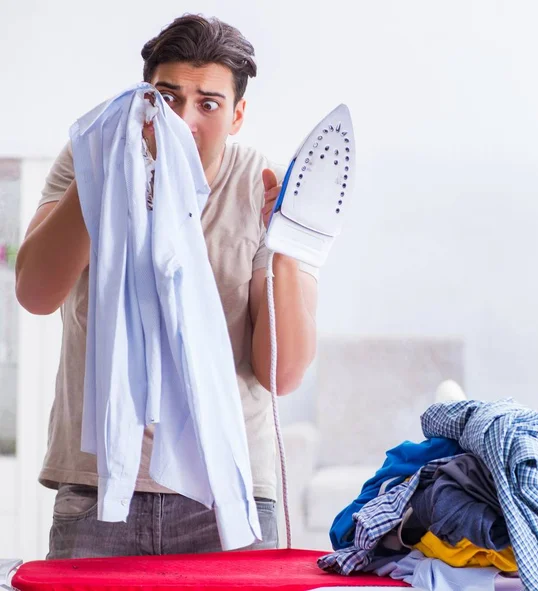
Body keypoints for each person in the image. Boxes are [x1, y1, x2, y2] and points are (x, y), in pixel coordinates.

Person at [14, 14, 318, 559]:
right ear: (141, 100)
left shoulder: (266, 185)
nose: (184, 120)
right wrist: (105, 172)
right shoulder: (88, 159)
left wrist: (288, 247)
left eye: (208, 103)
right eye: (167, 98)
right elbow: (35, 294)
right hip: (98, 487)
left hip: (230, 494)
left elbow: (282, 372)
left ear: (237, 115)